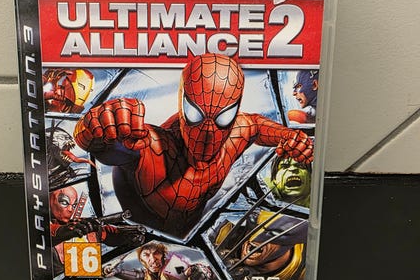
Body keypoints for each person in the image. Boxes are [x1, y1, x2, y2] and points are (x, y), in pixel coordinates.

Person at [74, 53, 313, 237]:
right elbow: (110, 148)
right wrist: (95, 127)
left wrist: (289, 137)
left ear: (235, 110)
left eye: (223, 117)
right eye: (195, 114)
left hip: (193, 239)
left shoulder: (237, 131)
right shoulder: (153, 146)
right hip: (140, 241)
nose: (208, 134)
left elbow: (257, 125)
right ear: (182, 103)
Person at [49, 186, 145, 276]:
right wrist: (67, 231)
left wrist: (128, 238)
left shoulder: (85, 225)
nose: (70, 209)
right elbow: (52, 232)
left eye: (74, 205)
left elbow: (110, 234)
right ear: (51, 201)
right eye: (64, 202)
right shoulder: (48, 227)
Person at [103, 242, 219, 280]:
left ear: (163, 255)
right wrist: (118, 271)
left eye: (156, 253)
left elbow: (189, 270)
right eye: (146, 255)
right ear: (141, 260)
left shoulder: (173, 266)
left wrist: (203, 271)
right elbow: (143, 278)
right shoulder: (150, 275)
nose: (153, 259)